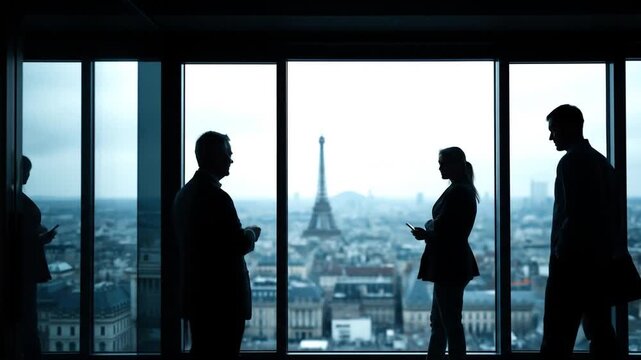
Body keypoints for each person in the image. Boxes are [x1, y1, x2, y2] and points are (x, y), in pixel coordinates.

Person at [539, 104, 622, 360]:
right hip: (598, 262)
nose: (551, 137)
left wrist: (560, 255)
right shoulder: (600, 161)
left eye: (554, 130)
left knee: (557, 334)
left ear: (568, 128)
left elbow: (573, 215)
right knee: (600, 329)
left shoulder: (571, 162)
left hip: (572, 265)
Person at [172, 131, 261, 359]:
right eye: (228, 154)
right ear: (214, 156)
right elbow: (236, 244)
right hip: (223, 299)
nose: (232, 160)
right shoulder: (217, 198)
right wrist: (251, 233)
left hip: (198, 295)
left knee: (202, 351)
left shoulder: (184, 195)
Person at [411, 146, 480, 360]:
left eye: (443, 163)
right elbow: (450, 229)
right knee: (444, 321)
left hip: (449, 264)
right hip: (454, 262)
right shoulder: (462, 189)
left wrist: (427, 230)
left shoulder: (458, 191)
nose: (439, 168)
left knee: (446, 323)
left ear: (456, 165)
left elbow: (447, 231)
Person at [19, 155, 57, 360]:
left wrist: (39, 237)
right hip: (24, 269)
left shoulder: (14, 199)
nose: (28, 177)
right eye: (26, 172)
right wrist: (39, 237)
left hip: (23, 267)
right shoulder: (16, 199)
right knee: (27, 321)